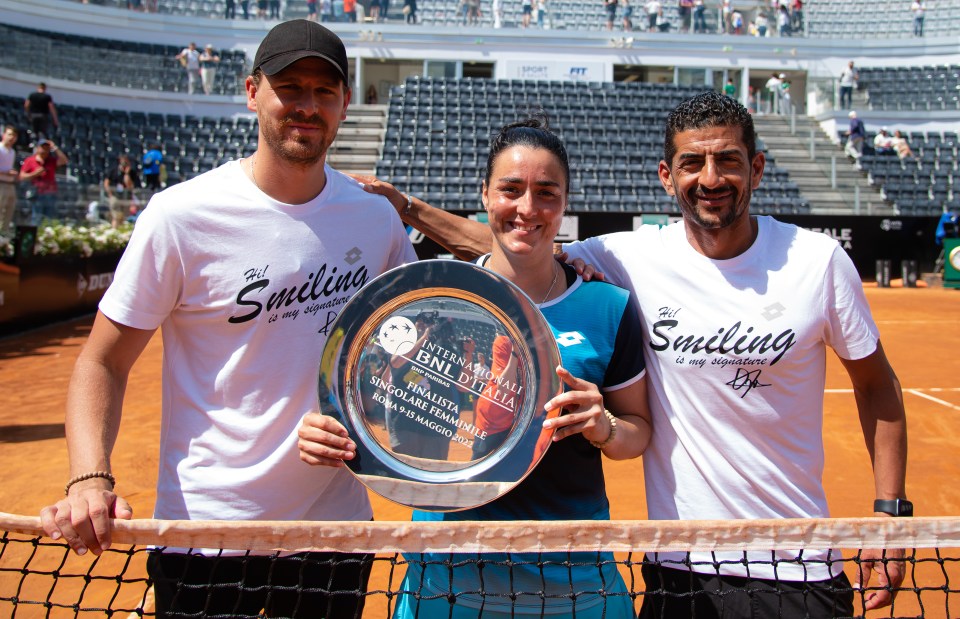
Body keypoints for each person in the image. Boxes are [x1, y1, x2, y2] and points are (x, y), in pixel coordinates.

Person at [371, 91, 909, 618]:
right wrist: (408, 208)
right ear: (665, 175)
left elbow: (877, 386)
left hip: (794, 565)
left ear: (758, 168)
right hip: (678, 564)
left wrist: (891, 516)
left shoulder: (818, 261)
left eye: (728, 160)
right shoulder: (628, 257)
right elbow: (515, 239)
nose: (711, 178)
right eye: (692, 162)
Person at [39, 19, 417, 618]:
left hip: (334, 535)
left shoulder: (376, 222)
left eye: (324, 91)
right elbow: (102, 361)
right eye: (290, 87)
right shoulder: (180, 216)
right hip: (204, 535)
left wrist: (365, 418)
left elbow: (402, 357)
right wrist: (89, 477)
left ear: (346, 103)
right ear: (252, 92)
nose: (307, 106)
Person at [308, 116, 652, 618]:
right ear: (485, 195)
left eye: (546, 193)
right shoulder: (436, 302)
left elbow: (637, 432)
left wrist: (604, 427)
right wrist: (329, 431)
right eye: (510, 189)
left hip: (575, 585)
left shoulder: (607, 306)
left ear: (565, 202)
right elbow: (377, 416)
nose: (527, 208)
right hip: (445, 581)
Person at [19, 138, 68, 223]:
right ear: (38, 148)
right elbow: (22, 176)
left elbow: (64, 160)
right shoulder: (30, 160)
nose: (45, 150)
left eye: (47, 148)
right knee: (36, 218)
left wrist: (55, 148)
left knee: (49, 219)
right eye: (43, 147)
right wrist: (34, 174)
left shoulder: (51, 160)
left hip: (50, 193)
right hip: (37, 194)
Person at [103, 154, 140, 229]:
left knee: (124, 217)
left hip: (126, 197)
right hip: (115, 196)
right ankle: (115, 231)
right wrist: (110, 194)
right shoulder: (113, 171)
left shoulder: (132, 173)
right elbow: (106, 183)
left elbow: (130, 186)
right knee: (116, 216)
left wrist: (127, 174)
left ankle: (121, 233)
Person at [0, 125, 18, 232]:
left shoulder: (12, 152)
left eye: (14, 136)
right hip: (1, 184)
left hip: (10, 184)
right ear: (4, 135)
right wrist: (7, 172)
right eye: (10, 134)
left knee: (9, 211)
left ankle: (3, 235)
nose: (12, 138)